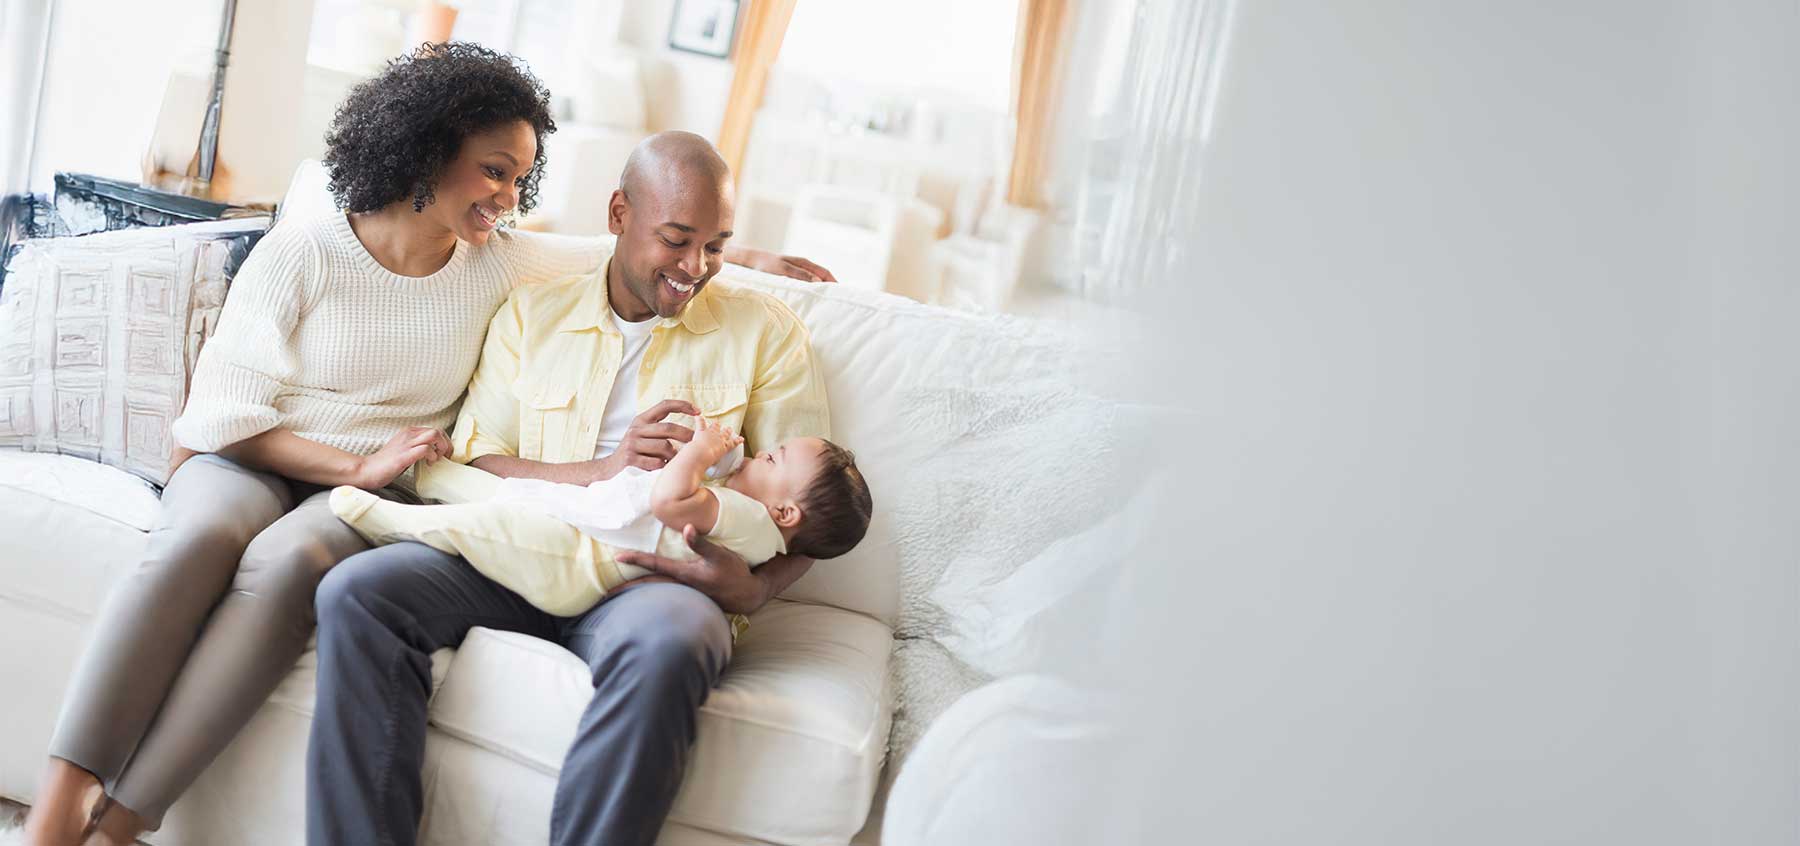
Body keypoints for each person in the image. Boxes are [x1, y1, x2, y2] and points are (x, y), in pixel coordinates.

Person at [18, 43, 831, 846]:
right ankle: (65, 813)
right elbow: (252, 423)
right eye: (493, 171)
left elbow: (810, 488)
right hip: (372, 493)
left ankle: (121, 823)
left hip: (552, 538)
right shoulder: (368, 264)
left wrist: (743, 260)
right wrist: (371, 468)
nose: (509, 196)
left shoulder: (520, 266)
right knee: (272, 561)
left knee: (309, 567)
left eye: (520, 178)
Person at [306, 130, 834, 846]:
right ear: (618, 215)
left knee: (675, 643)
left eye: (716, 246)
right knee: (359, 592)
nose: (696, 267)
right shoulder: (532, 316)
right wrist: (602, 470)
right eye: (677, 239)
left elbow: (814, 511)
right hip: (518, 552)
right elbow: (475, 462)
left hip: (651, 582)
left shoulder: (766, 334)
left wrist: (757, 590)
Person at [328, 418, 873, 617]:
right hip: (584, 524)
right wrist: (716, 449)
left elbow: (670, 501)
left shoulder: (745, 518)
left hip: (580, 562)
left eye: (772, 458)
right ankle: (434, 477)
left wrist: (701, 454)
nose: (760, 453)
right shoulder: (754, 519)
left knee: (495, 523)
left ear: (784, 510)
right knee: (508, 494)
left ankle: (391, 519)